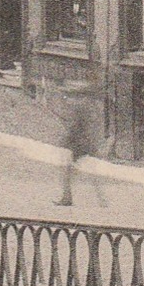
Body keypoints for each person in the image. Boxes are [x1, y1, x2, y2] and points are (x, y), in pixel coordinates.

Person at [52, 80, 106, 208]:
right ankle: (101, 200)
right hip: (85, 143)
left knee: (67, 171)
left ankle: (67, 198)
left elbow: (75, 127)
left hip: (77, 144)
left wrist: (65, 140)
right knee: (88, 173)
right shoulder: (90, 106)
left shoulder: (79, 107)